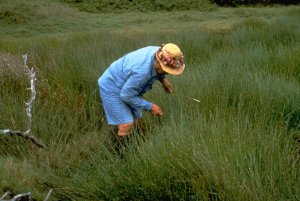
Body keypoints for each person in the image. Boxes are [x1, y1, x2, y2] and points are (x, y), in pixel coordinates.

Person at [98, 43, 185, 138]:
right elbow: (126, 95)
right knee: (126, 124)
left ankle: (130, 141)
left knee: (136, 117)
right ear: (158, 62)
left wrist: (163, 79)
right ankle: (117, 150)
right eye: (165, 70)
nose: (168, 72)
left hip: (128, 85)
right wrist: (151, 107)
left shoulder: (161, 52)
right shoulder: (142, 72)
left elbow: (158, 69)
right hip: (112, 86)